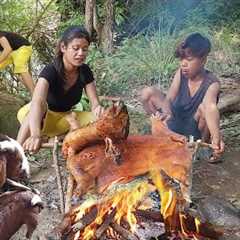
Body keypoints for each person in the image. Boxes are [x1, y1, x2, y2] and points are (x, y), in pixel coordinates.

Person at [17, 25, 104, 153]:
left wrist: (98, 109)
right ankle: (15, 151)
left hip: (64, 120)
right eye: (76, 48)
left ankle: (57, 138)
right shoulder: (50, 71)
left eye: (85, 49)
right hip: (39, 119)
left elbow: (95, 103)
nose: (81, 53)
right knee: (36, 109)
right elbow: (37, 102)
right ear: (63, 47)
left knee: (99, 121)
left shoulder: (85, 71)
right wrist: (35, 134)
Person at [139, 33, 224, 162]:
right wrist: (165, 113)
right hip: (175, 123)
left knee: (205, 108)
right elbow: (169, 99)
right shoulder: (180, 73)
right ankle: (161, 131)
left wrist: (217, 138)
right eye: (181, 59)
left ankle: (203, 147)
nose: (183, 64)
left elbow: (210, 108)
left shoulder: (212, 83)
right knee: (148, 93)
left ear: (203, 60)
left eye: (189, 59)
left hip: (194, 130)